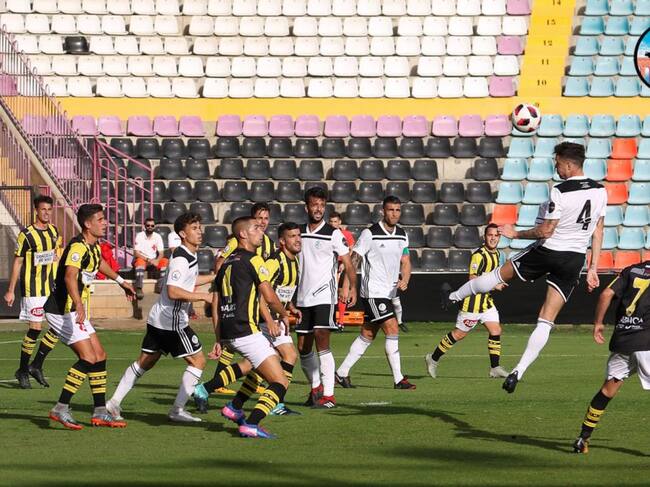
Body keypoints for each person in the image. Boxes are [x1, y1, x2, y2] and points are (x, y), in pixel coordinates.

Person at [442, 142, 607, 394]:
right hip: (574, 260)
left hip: (549, 251)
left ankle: (453, 297)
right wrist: (592, 267)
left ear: (569, 164)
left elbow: (546, 230)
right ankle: (518, 371)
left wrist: (515, 234)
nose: (556, 167)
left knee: (498, 275)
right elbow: (598, 231)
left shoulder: (560, 191)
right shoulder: (600, 190)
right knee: (546, 320)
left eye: (558, 163)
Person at [107, 212, 215, 423]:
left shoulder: (187, 255)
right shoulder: (182, 258)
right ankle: (177, 410)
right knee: (198, 361)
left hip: (159, 318)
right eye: (194, 228)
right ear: (183, 234)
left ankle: (113, 402)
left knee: (145, 362)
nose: (199, 232)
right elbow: (173, 291)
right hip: (171, 322)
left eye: (200, 227)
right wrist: (204, 296)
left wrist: (214, 277)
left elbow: (187, 282)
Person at [195, 222, 302, 416]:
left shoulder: (230, 262)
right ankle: (271, 406)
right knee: (285, 361)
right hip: (259, 320)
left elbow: (218, 301)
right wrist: (275, 318)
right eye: (256, 228)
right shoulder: (263, 261)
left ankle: (217, 394)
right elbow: (265, 295)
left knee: (253, 365)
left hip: (241, 323)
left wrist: (289, 308)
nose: (262, 231)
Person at [46, 204, 136, 430]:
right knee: (88, 357)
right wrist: (78, 303)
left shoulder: (93, 246)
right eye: (101, 219)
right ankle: (60, 408)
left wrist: (121, 281)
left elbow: (100, 264)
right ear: (88, 224)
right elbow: (69, 276)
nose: (105, 223)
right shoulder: (77, 246)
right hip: (62, 310)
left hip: (74, 310)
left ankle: (100, 412)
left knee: (100, 356)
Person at [335, 196, 415, 390]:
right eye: (390, 210)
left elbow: (406, 261)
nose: (394, 214)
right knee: (392, 328)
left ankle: (341, 373)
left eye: (397, 210)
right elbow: (353, 260)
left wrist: (405, 279)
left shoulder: (402, 234)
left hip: (389, 293)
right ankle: (398, 379)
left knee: (367, 334)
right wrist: (347, 286)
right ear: (383, 211)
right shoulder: (370, 233)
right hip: (373, 292)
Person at [573, 260, 650, 454]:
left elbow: (606, 294)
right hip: (647, 342)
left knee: (607, 391)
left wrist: (598, 323)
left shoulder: (632, 269)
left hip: (623, 339)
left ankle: (583, 438)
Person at [297, 187, 357, 409]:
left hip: (325, 296)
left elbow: (348, 263)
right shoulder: (298, 233)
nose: (319, 209)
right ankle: (316, 389)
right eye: (315, 205)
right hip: (302, 298)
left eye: (322, 205)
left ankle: (329, 395)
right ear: (307, 207)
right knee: (303, 347)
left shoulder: (334, 234)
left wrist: (351, 287)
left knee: (322, 338)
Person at [207, 202, 277, 391]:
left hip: (256, 295)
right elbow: (220, 262)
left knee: (245, 343)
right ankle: (220, 383)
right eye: (259, 218)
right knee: (245, 340)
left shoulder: (269, 244)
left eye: (266, 218)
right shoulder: (237, 242)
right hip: (240, 295)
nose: (263, 222)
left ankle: (248, 382)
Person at [426, 224, 509, 379]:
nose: (493, 238)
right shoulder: (479, 255)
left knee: (496, 330)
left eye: (496, 235)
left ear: (499, 237)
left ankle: (495, 368)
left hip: (486, 302)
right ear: (484, 237)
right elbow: (472, 279)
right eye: (490, 235)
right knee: (459, 335)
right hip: (472, 303)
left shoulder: (498, 254)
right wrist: (494, 285)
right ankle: (433, 358)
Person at [4, 195, 61, 389]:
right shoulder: (26, 234)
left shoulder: (54, 231)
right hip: (33, 289)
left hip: (50, 288)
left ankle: (36, 365)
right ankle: (22, 370)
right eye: (43, 209)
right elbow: (18, 262)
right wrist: (11, 290)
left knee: (58, 327)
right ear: (36, 210)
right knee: (35, 329)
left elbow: (54, 256)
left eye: (49, 209)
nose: (46, 213)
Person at [328, 211, 355, 329]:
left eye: (335, 221)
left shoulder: (346, 234)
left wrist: (344, 262)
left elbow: (352, 249)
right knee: (331, 292)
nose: (333, 224)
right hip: (330, 266)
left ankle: (341, 322)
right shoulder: (327, 234)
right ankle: (331, 320)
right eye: (331, 221)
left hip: (342, 265)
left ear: (339, 222)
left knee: (343, 292)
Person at [133, 218, 168, 299]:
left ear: (154, 226)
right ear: (144, 226)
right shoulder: (140, 235)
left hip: (153, 260)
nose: (150, 227)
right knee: (140, 262)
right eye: (148, 225)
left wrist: (157, 260)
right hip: (143, 259)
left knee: (165, 261)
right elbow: (136, 253)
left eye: (152, 225)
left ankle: (160, 287)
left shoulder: (157, 236)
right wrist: (148, 260)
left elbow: (161, 253)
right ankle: (139, 288)